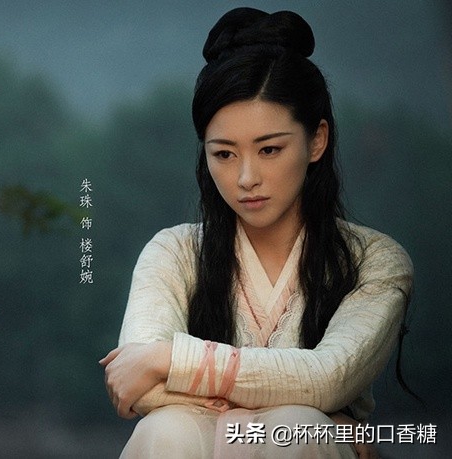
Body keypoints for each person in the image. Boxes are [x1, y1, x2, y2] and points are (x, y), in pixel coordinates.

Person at [99, 7, 413, 459]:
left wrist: (168, 359)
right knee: (167, 429)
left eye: (269, 149)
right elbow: (137, 388)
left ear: (317, 140)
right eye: (224, 154)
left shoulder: (375, 262)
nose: (247, 178)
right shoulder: (173, 252)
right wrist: (321, 413)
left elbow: (330, 376)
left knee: (299, 429)